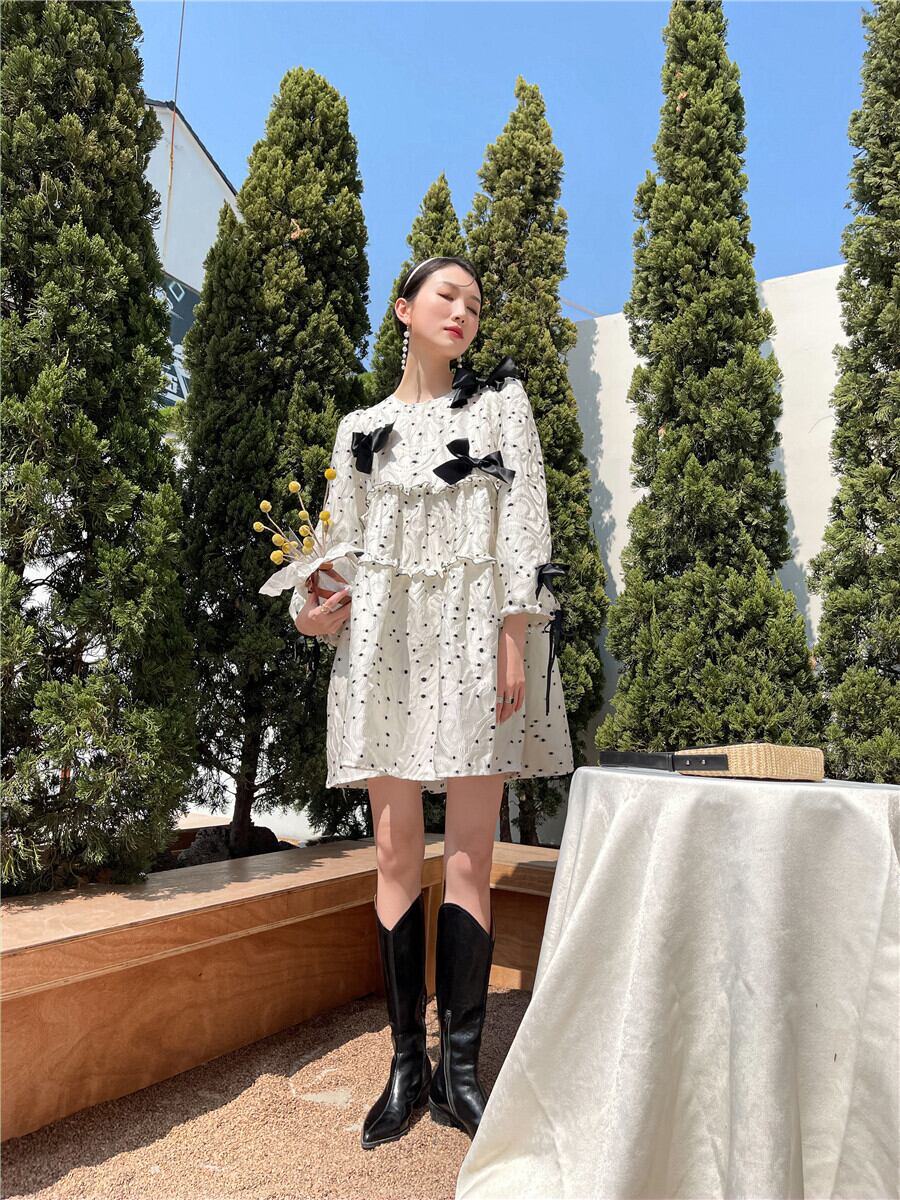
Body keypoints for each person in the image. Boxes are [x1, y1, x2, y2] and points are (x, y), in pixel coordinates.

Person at [291, 255, 574, 1148]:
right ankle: (405, 1067)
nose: (463, 311)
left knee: (470, 857)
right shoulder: (360, 429)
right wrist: (312, 613)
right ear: (404, 310)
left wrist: (512, 634)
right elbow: (337, 550)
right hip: (383, 646)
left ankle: (461, 1073)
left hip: (477, 638)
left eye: (475, 303)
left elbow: (525, 522)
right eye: (446, 295)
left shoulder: (500, 408)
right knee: (393, 854)